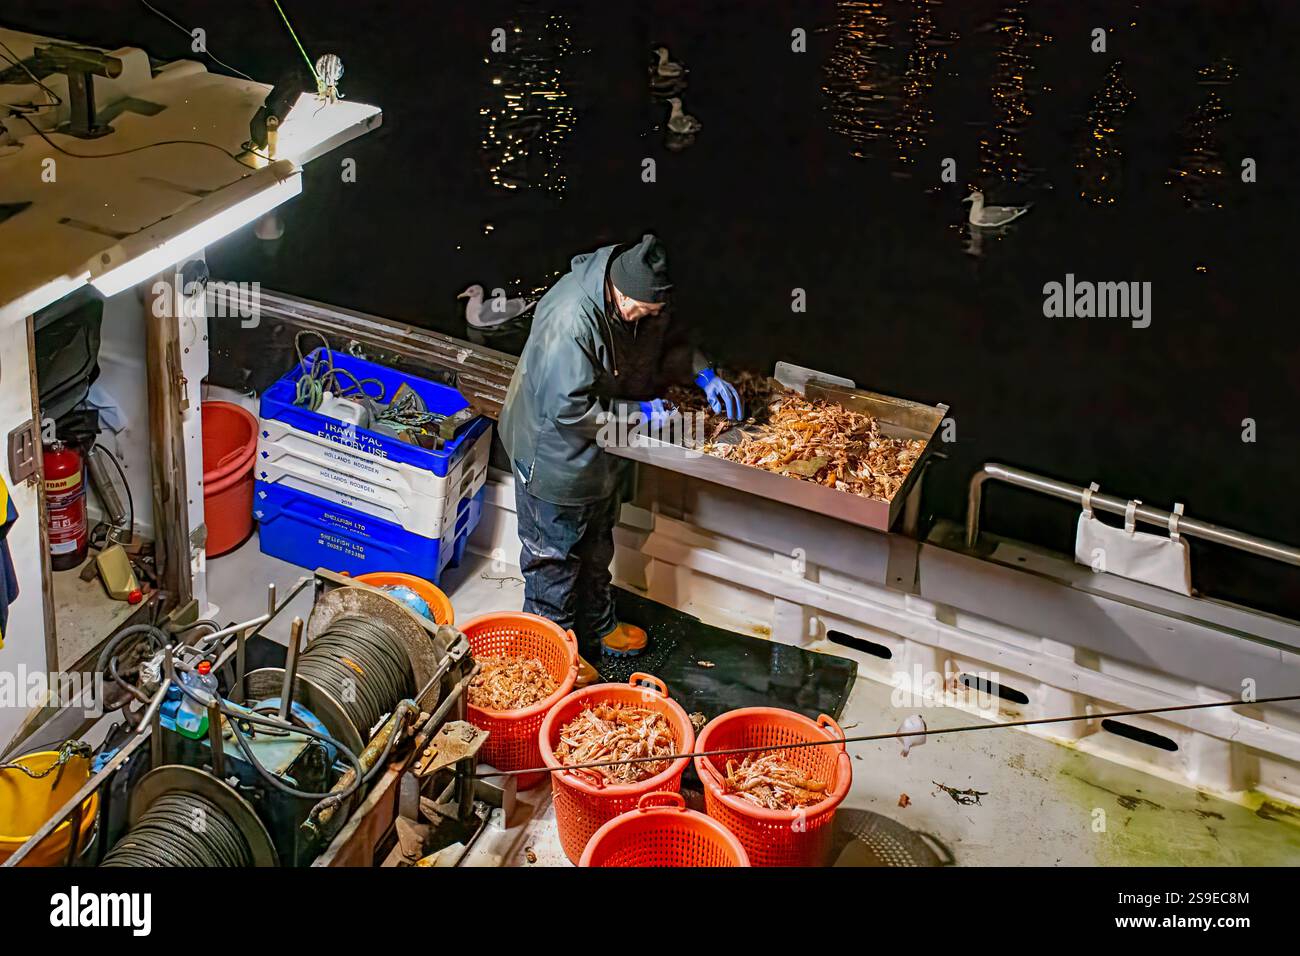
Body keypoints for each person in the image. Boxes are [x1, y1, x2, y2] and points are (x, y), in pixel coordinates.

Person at [498, 234, 742, 683]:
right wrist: (642, 412)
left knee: (596, 547)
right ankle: (547, 665)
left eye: (656, 312)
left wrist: (703, 372)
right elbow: (568, 410)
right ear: (621, 294)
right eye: (646, 312)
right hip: (554, 455)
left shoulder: (639, 299)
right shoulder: (571, 319)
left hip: (604, 451)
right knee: (553, 563)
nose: (651, 318)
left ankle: (598, 626)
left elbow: (670, 342)